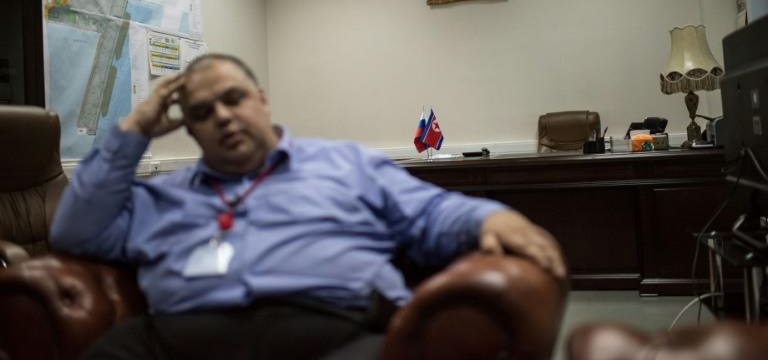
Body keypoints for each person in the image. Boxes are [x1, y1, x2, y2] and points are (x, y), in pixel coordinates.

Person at [50, 53, 565, 360]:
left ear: (262, 99)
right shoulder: (160, 196)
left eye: (234, 98)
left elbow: (432, 214)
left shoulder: (346, 165)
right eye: (203, 112)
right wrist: (134, 128)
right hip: (182, 342)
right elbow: (74, 233)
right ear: (187, 126)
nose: (223, 117)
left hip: (334, 334)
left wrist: (492, 216)